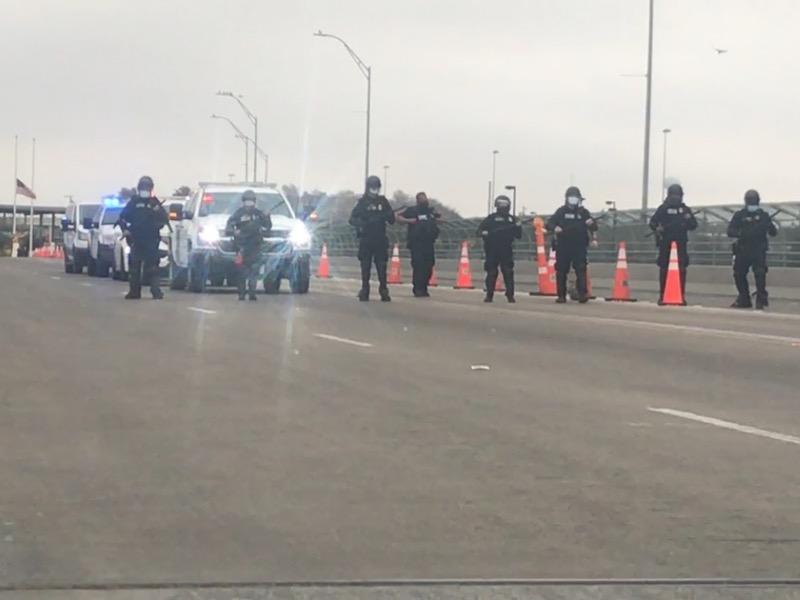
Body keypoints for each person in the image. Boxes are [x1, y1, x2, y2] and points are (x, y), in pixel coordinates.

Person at [727, 189, 778, 310]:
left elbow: (773, 232)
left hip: (758, 250)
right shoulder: (740, 215)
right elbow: (730, 231)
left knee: (760, 273)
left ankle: (761, 298)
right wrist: (741, 233)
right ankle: (744, 297)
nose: (752, 204)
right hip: (743, 249)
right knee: (739, 274)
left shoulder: (764, 216)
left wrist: (769, 225)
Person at [545, 186, 597, 303]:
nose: (573, 199)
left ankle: (582, 294)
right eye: (571, 197)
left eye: (575, 197)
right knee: (561, 270)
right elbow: (549, 224)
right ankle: (561, 295)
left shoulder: (583, 212)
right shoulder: (561, 211)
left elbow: (594, 227)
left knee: (581, 268)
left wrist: (591, 223)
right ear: (566, 198)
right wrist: (555, 228)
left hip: (579, 246)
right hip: (563, 245)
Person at [119, 175, 168, 300]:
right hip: (136, 239)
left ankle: (156, 291)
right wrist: (125, 230)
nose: (145, 189)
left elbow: (164, 220)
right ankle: (134, 291)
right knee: (134, 267)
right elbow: (122, 218)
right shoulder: (134, 202)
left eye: (147, 187)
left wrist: (157, 218)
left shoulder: (155, 203)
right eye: (143, 187)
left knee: (153, 267)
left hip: (151, 240)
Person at [649, 183, 698, 305]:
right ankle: (663, 295)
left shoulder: (685, 210)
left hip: (680, 245)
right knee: (664, 269)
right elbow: (652, 223)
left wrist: (688, 219)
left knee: (681, 270)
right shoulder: (663, 209)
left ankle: (680, 294)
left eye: (678, 195)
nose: (676, 198)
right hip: (666, 244)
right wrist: (658, 228)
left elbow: (693, 225)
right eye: (674, 195)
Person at [349, 175, 395, 302]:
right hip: (367, 238)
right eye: (373, 187)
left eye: (376, 187)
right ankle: (365, 289)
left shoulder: (383, 201)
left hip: (380, 238)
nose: (375, 189)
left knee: (382, 266)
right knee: (365, 266)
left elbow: (392, 220)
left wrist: (388, 215)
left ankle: (384, 290)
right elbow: (352, 219)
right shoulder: (362, 202)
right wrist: (364, 223)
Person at [226, 189, 271, 301]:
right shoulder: (238, 213)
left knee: (254, 271)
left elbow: (268, 227)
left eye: (251, 201)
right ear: (243, 201)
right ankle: (241, 293)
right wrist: (234, 231)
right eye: (247, 201)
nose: (249, 203)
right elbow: (229, 226)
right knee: (241, 272)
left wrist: (267, 217)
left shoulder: (258, 214)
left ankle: (252, 292)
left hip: (255, 246)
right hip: (241, 247)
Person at [396, 192, 441, 297]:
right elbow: (397, 217)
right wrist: (409, 220)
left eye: (425, 198)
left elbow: (438, 219)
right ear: (417, 200)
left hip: (429, 242)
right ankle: (418, 289)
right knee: (419, 266)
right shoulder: (412, 210)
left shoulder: (430, 211)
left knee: (429, 266)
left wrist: (437, 221)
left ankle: (424, 287)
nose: (424, 200)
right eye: (422, 199)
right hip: (416, 243)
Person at [477, 195, 521, 303]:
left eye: (505, 204)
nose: (503, 206)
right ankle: (489, 295)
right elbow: (478, 231)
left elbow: (518, 235)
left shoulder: (512, 219)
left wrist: (518, 226)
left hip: (506, 249)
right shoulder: (491, 218)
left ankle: (510, 295)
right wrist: (484, 232)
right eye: (501, 203)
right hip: (492, 249)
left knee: (508, 272)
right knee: (492, 272)